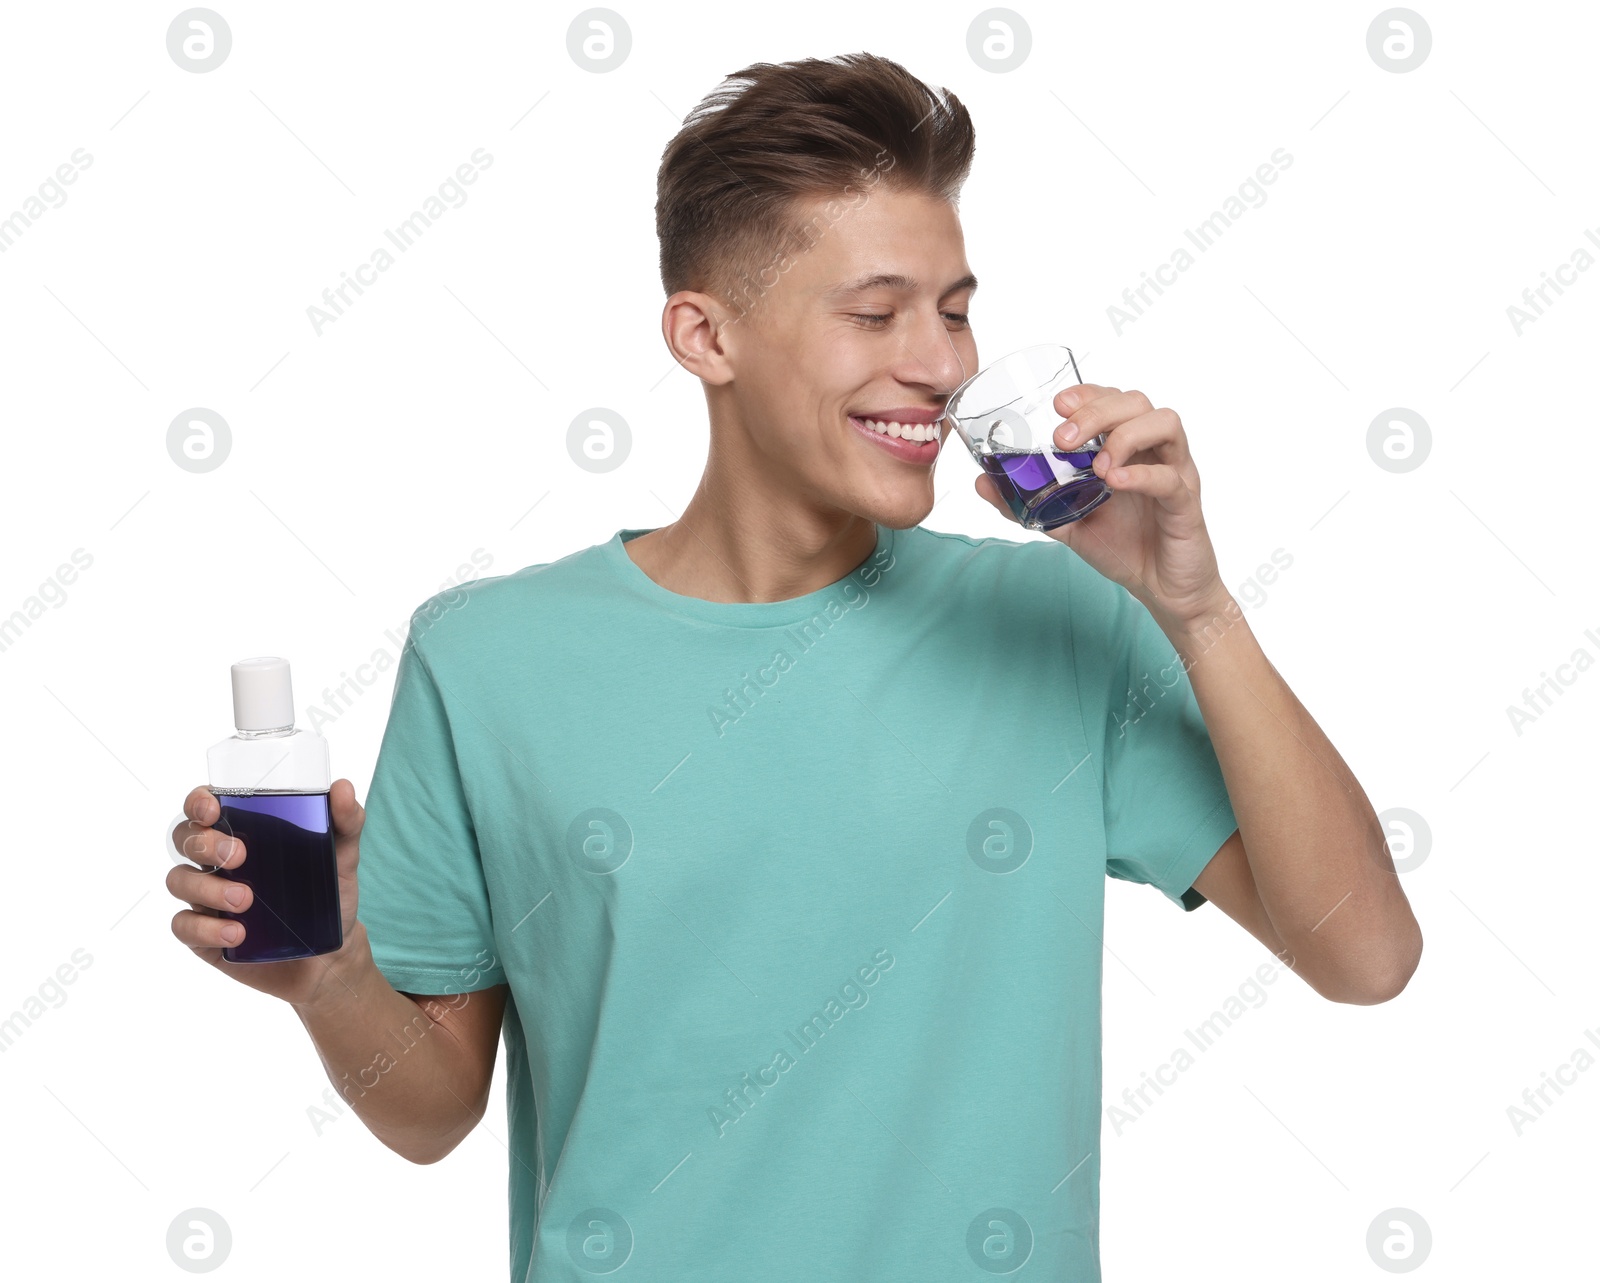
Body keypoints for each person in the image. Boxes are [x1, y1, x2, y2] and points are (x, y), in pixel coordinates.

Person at [167, 51, 1422, 1282]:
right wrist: (329, 978)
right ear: (705, 335)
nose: (939, 365)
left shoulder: (1055, 618)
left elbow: (1363, 956)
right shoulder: (487, 657)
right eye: (875, 314)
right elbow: (432, 1108)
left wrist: (1193, 610)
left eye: (954, 307)